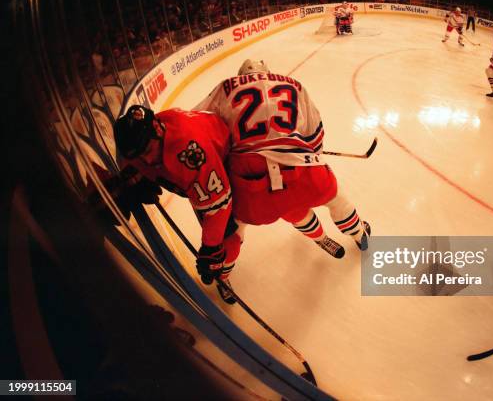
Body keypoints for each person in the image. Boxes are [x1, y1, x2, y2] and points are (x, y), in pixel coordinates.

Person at [194, 59, 371, 259]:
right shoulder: (293, 84)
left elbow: (198, 129)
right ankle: (359, 233)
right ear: (268, 72)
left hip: (251, 184)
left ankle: (223, 272)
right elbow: (315, 134)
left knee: (276, 214)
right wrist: (310, 154)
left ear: (240, 76)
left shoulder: (225, 88)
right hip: (300, 172)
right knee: (335, 198)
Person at [111, 105, 241, 304]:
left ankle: (223, 277)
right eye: (139, 156)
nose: (146, 159)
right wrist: (139, 174)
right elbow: (132, 158)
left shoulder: (190, 151)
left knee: (228, 238)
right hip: (203, 174)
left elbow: (218, 206)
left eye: (147, 151)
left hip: (224, 164)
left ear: (157, 130)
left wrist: (211, 250)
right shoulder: (150, 137)